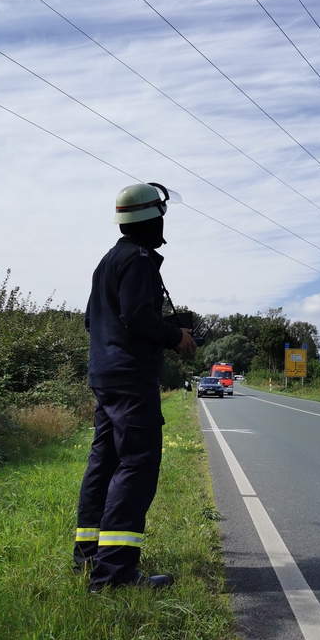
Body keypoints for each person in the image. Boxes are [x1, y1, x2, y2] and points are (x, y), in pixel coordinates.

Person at [73, 182, 196, 591]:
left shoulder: (108, 261)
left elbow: (92, 320)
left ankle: (89, 557)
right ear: (152, 219)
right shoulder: (139, 260)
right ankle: (115, 574)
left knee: (104, 463)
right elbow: (139, 317)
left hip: (105, 376)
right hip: (131, 379)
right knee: (137, 465)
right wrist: (175, 337)